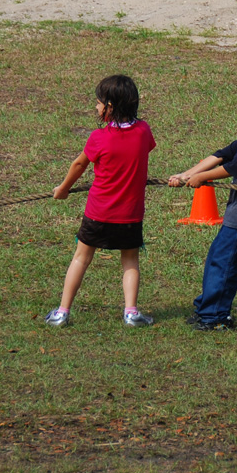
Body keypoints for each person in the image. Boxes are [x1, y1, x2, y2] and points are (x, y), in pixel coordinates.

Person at [168, 77, 237, 331]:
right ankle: (206, 308)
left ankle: (215, 316)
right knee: (217, 259)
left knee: (226, 263)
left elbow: (235, 167)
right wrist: (187, 174)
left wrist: (203, 177)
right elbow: (220, 155)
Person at [46, 74, 156, 328]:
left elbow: (79, 164)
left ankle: (62, 312)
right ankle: (131, 313)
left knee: (81, 258)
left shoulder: (99, 138)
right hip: (130, 214)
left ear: (110, 107)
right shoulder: (143, 131)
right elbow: (144, 148)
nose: (95, 108)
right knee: (130, 260)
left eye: (98, 103)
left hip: (98, 213)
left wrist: (63, 189)